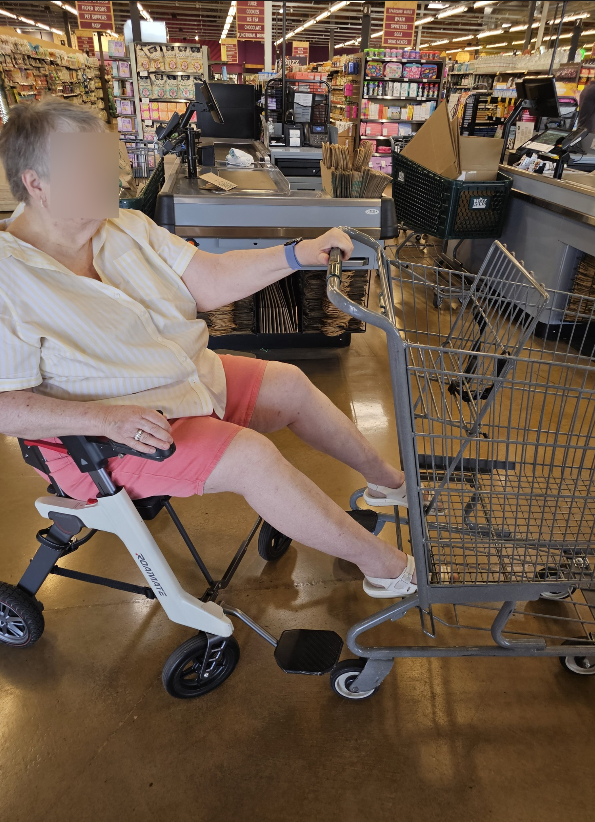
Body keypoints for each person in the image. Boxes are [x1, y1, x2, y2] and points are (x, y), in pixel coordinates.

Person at [0, 99, 422, 600]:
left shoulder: (125, 229)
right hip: (102, 437)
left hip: (184, 382)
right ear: (37, 183)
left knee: (288, 383)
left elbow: (211, 280)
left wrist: (298, 253)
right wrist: (105, 420)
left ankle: (388, 482)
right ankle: (389, 568)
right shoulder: (9, 280)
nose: (114, 175)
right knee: (252, 459)